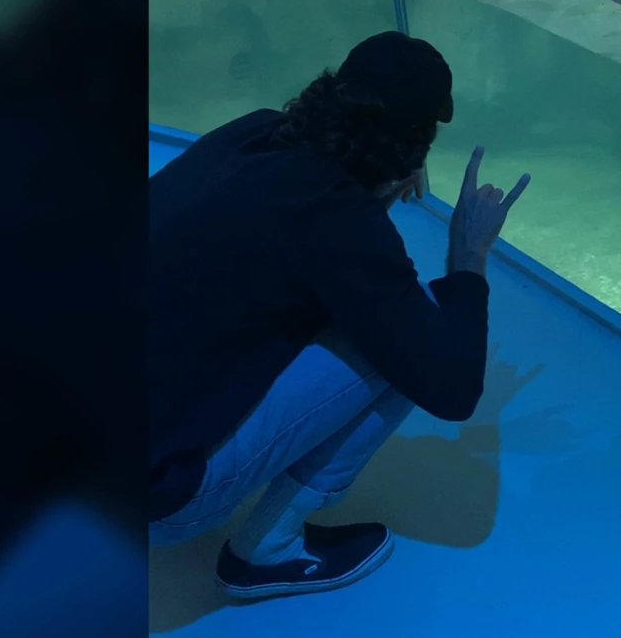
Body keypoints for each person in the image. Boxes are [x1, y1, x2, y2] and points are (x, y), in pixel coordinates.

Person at [147, 31, 531, 600]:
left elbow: (297, 225)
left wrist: (375, 182)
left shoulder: (251, 133)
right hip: (155, 496)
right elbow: (451, 387)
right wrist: (468, 252)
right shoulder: (341, 223)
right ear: (415, 145)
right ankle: (267, 552)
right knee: (421, 330)